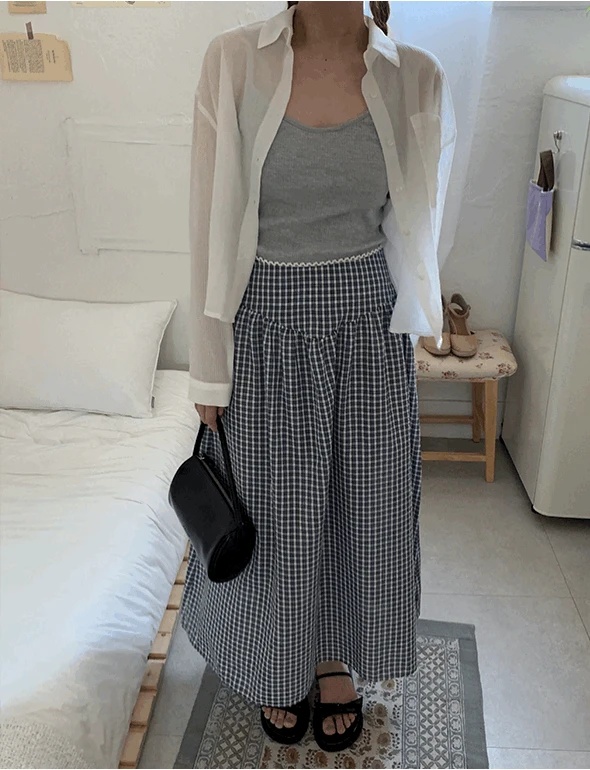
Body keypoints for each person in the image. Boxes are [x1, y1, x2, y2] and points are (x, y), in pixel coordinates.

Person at [181, 0, 457, 753]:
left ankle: (335, 659)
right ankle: (281, 661)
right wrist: (208, 372)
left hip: (368, 334)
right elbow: (207, 220)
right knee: (279, 520)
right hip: (264, 334)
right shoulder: (233, 61)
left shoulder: (418, 77)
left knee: (363, 510)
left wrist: (421, 324)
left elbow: (424, 218)